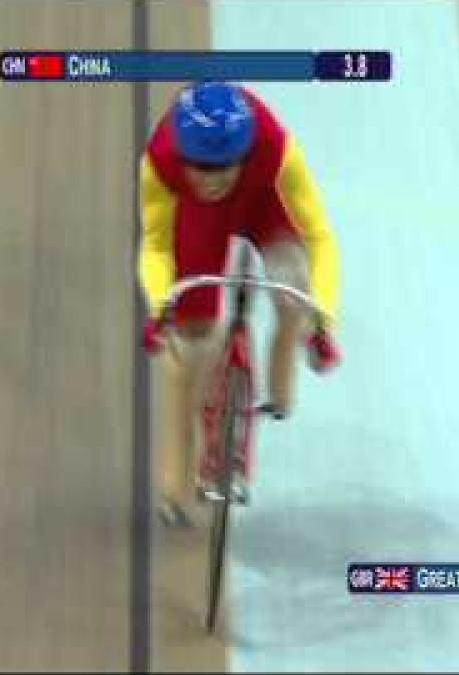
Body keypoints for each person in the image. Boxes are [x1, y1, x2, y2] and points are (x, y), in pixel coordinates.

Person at [137, 80, 342, 526]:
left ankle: (285, 366)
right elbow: (155, 245)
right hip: (199, 219)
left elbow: (320, 237)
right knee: (189, 350)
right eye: (201, 170)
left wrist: (323, 320)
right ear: (183, 157)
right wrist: (160, 307)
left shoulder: (276, 146)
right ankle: (176, 483)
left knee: (295, 292)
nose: (211, 182)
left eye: (222, 170)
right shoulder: (160, 159)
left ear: (244, 155)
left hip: (263, 205)